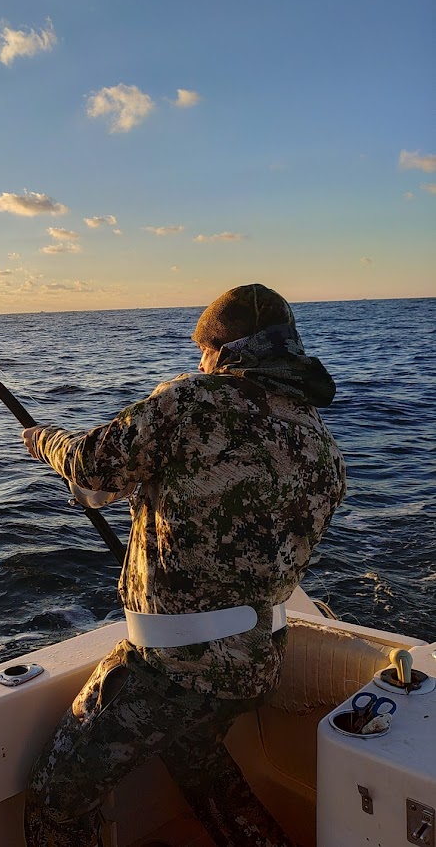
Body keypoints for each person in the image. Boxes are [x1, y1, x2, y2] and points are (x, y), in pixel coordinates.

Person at [21, 283, 347, 847]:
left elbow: (90, 464)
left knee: (56, 802)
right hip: (257, 662)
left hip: (174, 668)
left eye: (204, 351)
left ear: (227, 349)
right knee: (203, 772)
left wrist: (44, 439)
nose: (199, 363)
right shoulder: (320, 441)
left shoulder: (192, 401)